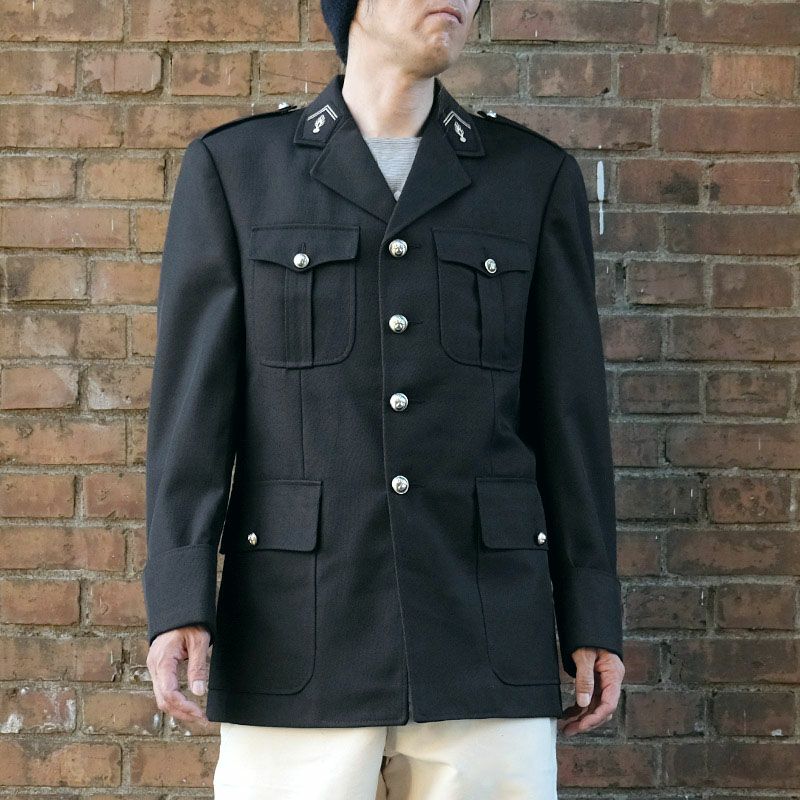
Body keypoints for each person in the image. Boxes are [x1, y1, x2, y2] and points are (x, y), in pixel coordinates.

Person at [142, 0, 625, 796]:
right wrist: (178, 601)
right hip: (298, 628)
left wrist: (591, 611)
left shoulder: (530, 178)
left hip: (484, 626)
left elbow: (569, 418)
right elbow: (193, 413)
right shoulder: (239, 170)